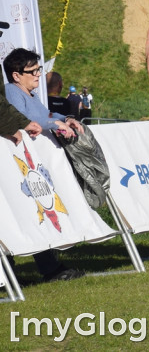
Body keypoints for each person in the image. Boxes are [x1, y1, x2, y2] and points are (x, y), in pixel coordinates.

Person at [3, 49, 85, 281]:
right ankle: (10, 272)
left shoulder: (29, 94)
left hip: (29, 167)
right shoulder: (11, 92)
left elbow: (44, 113)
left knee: (34, 213)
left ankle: (48, 268)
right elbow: (23, 119)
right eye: (33, 71)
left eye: (38, 70)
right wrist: (55, 123)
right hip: (15, 166)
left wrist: (64, 118)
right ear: (16, 75)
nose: (38, 75)